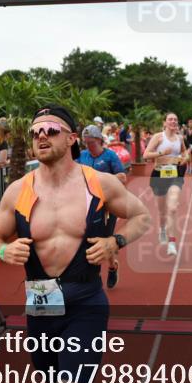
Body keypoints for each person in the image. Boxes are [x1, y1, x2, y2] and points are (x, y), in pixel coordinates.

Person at [0, 105, 150, 383]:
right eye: (35, 131)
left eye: (52, 129)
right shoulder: (19, 189)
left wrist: (115, 243)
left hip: (85, 305)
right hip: (40, 308)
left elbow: (141, 216)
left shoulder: (98, 182)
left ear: (72, 138)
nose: (41, 136)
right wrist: (2, 249)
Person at [78, 124, 127, 289]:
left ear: (99, 140)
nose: (88, 146)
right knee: (86, 239)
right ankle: (92, 276)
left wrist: (102, 180)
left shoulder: (110, 156)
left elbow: (122, 177)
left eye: (91, 142)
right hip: (86, 205)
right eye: (86, 142)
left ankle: (112, 267)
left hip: (107, 206)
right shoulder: (81, 155)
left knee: (106, 239)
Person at [143, 113, 190, 257]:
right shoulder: (159, 137)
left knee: (173, 208)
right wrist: (163, 152)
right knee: (162, 211)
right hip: (159, 175)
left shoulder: (180, 138)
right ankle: (162, 229)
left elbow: (184, 152)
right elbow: (145, 155)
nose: (173, 121)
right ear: (165, 122)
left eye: (175, 119)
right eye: (170, 119)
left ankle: (172, 243)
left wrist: (185, 157)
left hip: (175, 174)